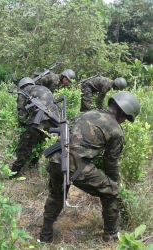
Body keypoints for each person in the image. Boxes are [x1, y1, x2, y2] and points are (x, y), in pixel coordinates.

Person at [39, 91, 140, 243]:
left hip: (55, 159)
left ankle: (45, 235)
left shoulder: (88, 113)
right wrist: (114, 183)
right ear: (122, 113)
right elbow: (110, 162)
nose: (124, 121)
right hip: (75, 165)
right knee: (111, 192)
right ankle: (111, 234)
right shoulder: (116, 130)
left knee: (56, 195)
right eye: (126, 118)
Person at [10, 77, 60, 178]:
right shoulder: (43, 89)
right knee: (40, 142)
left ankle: (14, 172)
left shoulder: (24, 91)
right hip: (53, 121)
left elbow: (21, 112)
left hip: (39, 120)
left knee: (25, 147)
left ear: (22, 86)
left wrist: (22, 129)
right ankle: (34, 164)